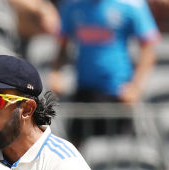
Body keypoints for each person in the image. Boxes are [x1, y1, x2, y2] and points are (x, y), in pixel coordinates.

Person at [48, 0, 161, 142]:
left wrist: (136, 88)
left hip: (118, 95)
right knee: (77, 155)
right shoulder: (72, 4)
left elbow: (149, 49)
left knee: (118, 155)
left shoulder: (132, 4)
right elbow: (62, 44)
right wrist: (56, 72)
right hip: (83, 93)